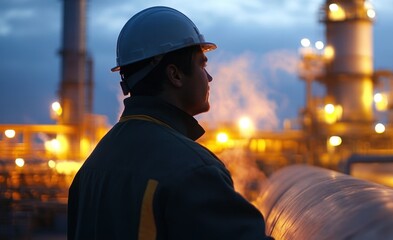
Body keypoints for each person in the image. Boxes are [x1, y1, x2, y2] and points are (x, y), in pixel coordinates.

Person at [68, 6, 272, 239]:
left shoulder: (90, 170)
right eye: (202, 65)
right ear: (175, 75)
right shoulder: (193, 170)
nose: (209, 77)